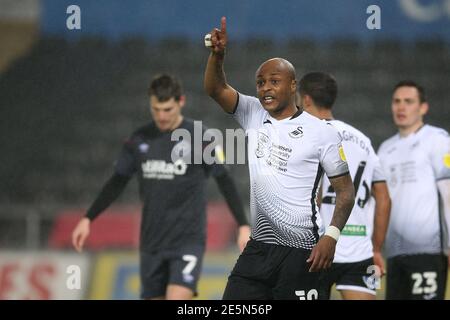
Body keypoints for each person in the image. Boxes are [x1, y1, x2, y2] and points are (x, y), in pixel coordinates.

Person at [204, 17, 355, 300]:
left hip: (303, 250)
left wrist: (331, 236)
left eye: (274, 81)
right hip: (258, 247)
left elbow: (346, 191)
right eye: (260, 82)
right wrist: (217, 56)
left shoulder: (322, 133)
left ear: (293, 85)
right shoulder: (252, 112)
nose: (265, 88)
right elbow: (215, 88)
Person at [71, 74, 251, 300]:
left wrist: (243, 224)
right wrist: (88, 218)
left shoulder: (200, 136)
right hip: (152, 242)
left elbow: (224, 180)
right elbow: (117, 181)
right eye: (156, 109)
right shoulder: (139, 139)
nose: (161, 116)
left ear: (181, 102)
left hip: (187, 240)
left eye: (167, 109)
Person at [298, 72, 391, 300]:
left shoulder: (307, 137)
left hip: (316, 249)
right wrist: (376, 249)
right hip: (360, 252)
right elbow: (384, 198)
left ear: (306, 99)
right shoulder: (363, 141)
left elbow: (312, 195)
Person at [378, 80, 450, 300]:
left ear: (423, 108)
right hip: (395, 253)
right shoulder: (385, 149)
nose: (401, 107)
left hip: (428, 251)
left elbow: (448, 194)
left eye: (408, 102)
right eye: (397, 101)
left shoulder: (437, 140)